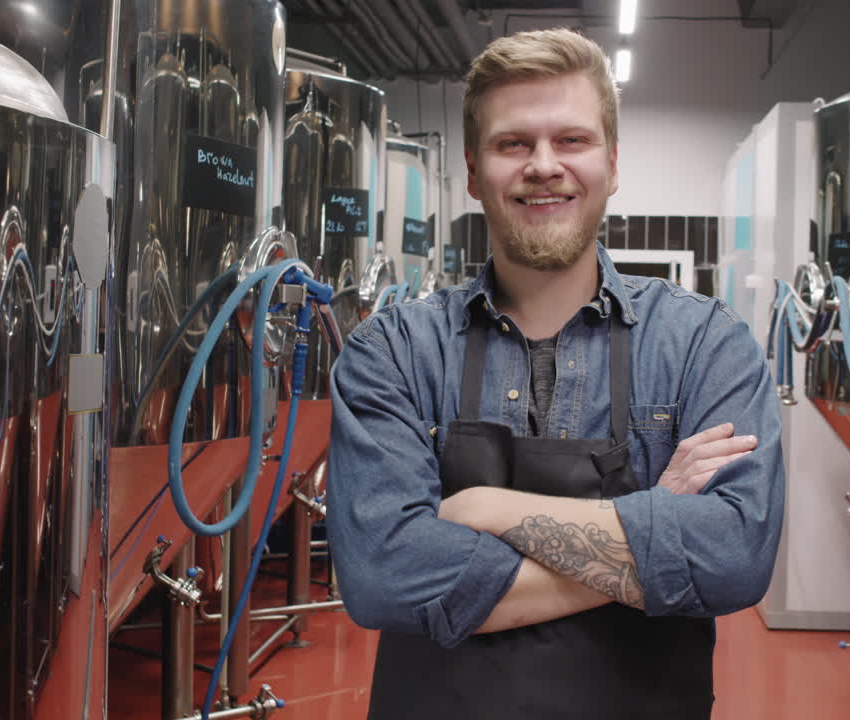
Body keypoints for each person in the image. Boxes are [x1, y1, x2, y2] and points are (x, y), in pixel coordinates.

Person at [327, 29, 784, 719]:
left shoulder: (703, 345)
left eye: (572, 140)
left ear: (612, 163)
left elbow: (735, 557)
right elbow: (383, 575)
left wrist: (489, 510)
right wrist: (656, 521)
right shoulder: (393, 352)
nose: (545, 165)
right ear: (475, 172)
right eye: (514, 144)